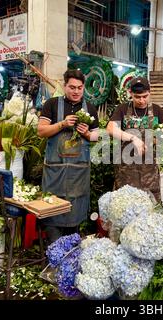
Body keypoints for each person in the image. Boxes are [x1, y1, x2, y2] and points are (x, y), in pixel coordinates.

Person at [38, 70, 99, 243]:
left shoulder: (90, 109)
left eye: (80, 88)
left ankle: (70, 249)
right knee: (52, 208)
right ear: (64, 86)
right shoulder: (52, 104)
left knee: (75, 211)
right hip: (54, 171)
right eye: (72, 87)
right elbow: (41, 131)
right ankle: (55, 249)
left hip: (78, 173)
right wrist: (62, 124)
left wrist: (86, 133)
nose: (76, 91)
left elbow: (96, 137)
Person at [106, 77, 163, 202]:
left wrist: (152, 142)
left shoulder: (157, 110)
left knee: (151, 205)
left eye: (145, 96)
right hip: (126, 170)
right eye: (137, 97)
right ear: (131, 94)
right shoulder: (123, 109)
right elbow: (110, 128)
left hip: (149, 171)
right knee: (125, 206)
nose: (141, 100)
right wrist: (133, 138)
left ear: (149, 93)